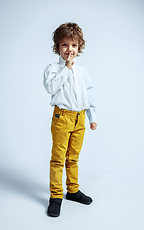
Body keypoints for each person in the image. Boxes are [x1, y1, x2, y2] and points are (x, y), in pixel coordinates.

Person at [43, 22, 97, 217]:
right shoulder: (52, 69)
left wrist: (92, 116)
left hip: (79, 118)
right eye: (65, 45)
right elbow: (51, 88)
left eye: (73, 45)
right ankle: (55, 197)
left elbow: (89, 95)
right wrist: (66, 68)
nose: (69, 49)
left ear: (79, 47)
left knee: (73, 158)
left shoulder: (83, 72)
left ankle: (72, 190)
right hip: (62, 118)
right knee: (58, 159)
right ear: (57, 46)